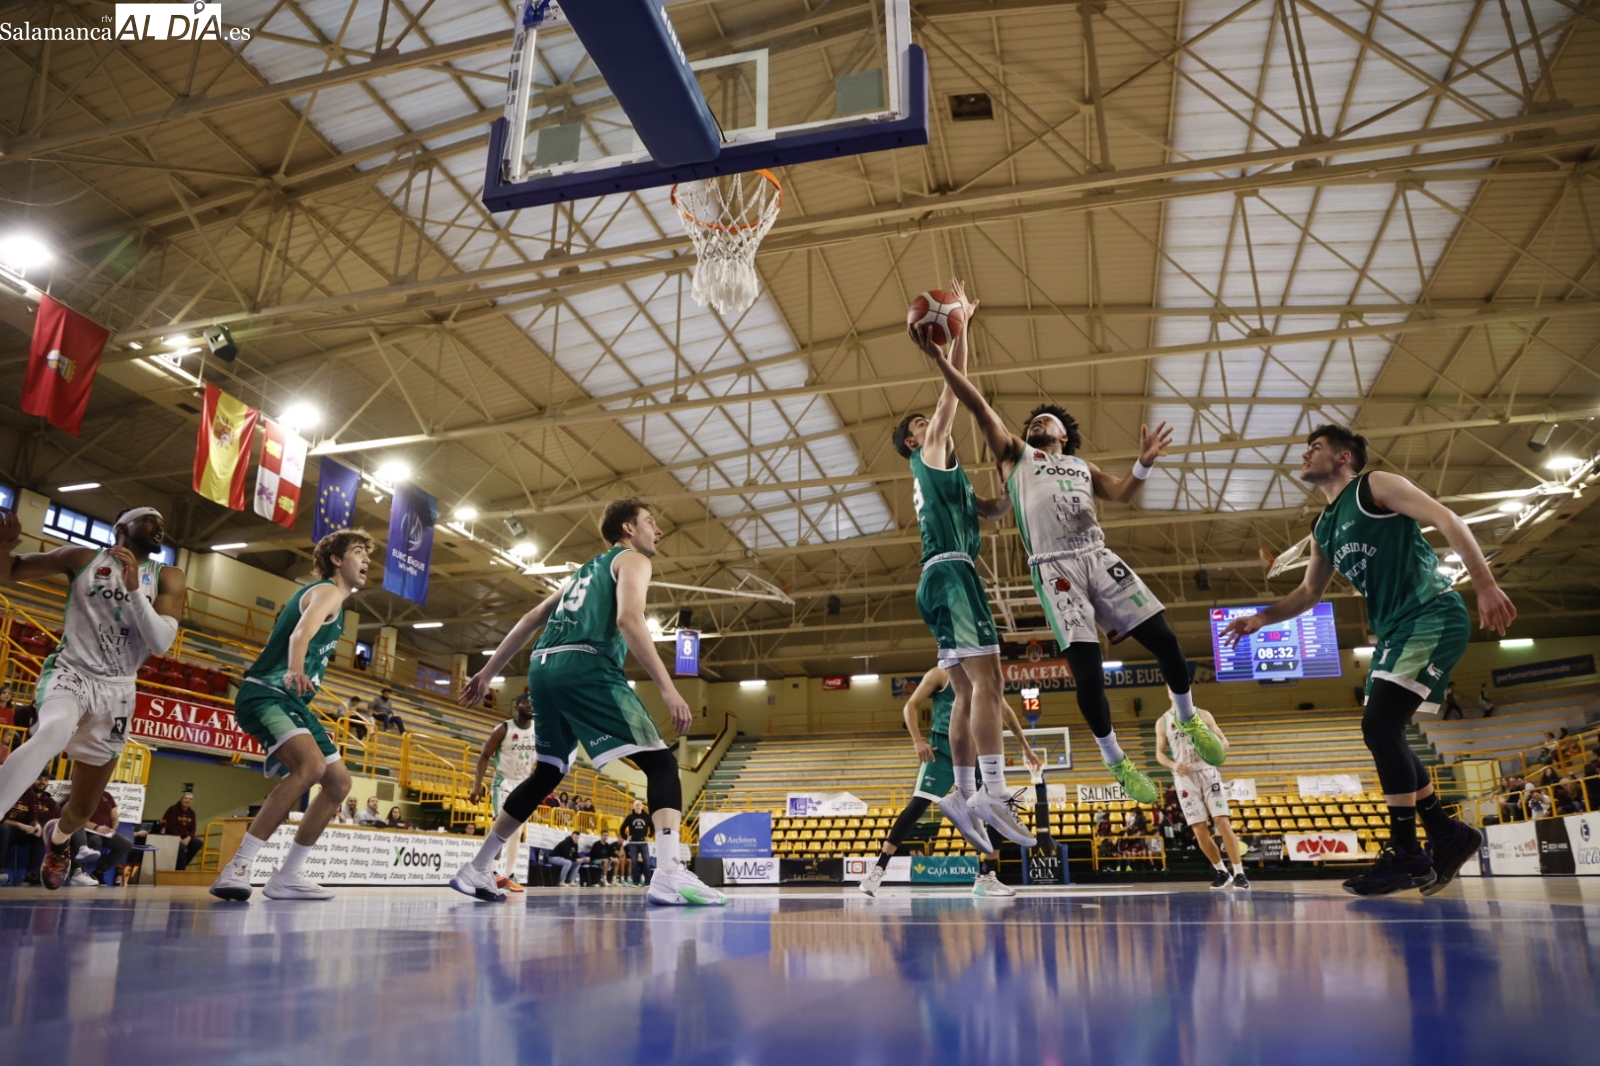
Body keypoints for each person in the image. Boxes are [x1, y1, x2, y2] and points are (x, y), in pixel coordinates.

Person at [916, 320, 1227, 807]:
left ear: (1065, 435)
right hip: (1055, 567)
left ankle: (1186, 714)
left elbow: (1123, 494)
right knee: (1088, 670)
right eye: (1034, 420)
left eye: (1047, 420)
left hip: (1097, 555)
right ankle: (1116, 759)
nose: (1038, 423)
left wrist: (1143, 463)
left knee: (1166, 639)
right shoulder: (1017, 455)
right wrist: (941, 359)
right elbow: (975, 404)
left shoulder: (1085, 467)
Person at [1222, 424, 1515, 898]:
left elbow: (1447, 520)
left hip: (1430, 612)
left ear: (1342, 458)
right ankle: (1445, 834)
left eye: (1314, 447)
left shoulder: (1374, 486)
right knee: (1385, 731)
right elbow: (1308, 593)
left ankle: (1408, 851)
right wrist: (1261, 619)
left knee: (1379, 726)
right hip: (1395, 631)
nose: (1303, 455)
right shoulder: (1323, 527)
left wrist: (1484, 583)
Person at [450, 498, 724, 905]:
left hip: (542, 668)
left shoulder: (581, 573)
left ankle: (476, 868)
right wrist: (668, 687)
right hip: (584, 664)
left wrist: (488, 672)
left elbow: (529, 620)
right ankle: (668, 871)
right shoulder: (632, 560)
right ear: (628, 530)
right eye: (652, 521)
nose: (659, 530)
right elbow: (628, 621)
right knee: (662, 761)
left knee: (546, 774)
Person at [891, 280, 1036, 848]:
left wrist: (1011, 488)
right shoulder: (928, 452)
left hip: (938, 576)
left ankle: (958, 789)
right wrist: (960, 329)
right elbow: (955, 396)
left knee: (964, 689)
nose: (931, 422)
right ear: (912, 442)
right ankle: (994, 791)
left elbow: (994, 509)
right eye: (921, 424)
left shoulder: (945, 482)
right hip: (952, 574)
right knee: (991, 682)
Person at [0, 506, 187, 889]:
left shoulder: (167, 575)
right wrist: (3, 548)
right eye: (149, 519)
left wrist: (135, 590)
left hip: (118, 689)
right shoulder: (82, 558)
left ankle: (61, 838)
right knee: (51, 733)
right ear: (122, 527)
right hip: (72, 672)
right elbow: (11, 572)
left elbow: (162, 643)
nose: (158, 526)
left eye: (162, 523)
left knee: (81, 810)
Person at [209, 529, 373, 902]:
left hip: (291, 701)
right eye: (358, 552)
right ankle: (238, 867)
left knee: (338, 784)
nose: (366, 560)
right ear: (336, 559)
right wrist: (295, 668)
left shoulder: (335, 601)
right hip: (267, 693)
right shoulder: (327, 591)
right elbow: (300, 632)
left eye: (368, 555)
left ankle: (288, 875)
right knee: (311, 768)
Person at [860, 664, 1039, 899]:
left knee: (995, 809)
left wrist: (1026, 747)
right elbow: (910, 705)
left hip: (974, 750)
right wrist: (917, 741)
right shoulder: (940, 674)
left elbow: (1004, 712)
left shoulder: (983, 677)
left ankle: (987, 877)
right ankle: (878, 870)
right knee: (917, 806)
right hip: (941, 749)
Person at [1155, 707, 1249, 890]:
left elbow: (1224, 741)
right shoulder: (1163, 721)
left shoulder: (1204, 714)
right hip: (1184, 778)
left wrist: (1214, 749)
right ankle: (1222, 871)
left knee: (1222, 821)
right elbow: (1160, 753)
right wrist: (1173, 765)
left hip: (1208, 771)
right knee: (1199, 828)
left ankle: (1239, 872)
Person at [467, 692, 537, 893]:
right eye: (526, 703)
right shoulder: (503, 729)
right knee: (501, 825)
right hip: (503, 783)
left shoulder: (538, 730)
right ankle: (493, 872)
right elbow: (484, 756)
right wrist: (477, 785)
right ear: (517, 706)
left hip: (525, 783)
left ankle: (509, 873)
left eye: (533, 704)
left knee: (517, 831)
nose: (531, 706)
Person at [71, 789, 131, 885]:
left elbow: (114, 816)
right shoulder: (79, 794)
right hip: (87, 831)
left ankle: (99, 872)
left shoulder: (107, 795)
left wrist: (113, 828)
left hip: (106, 832)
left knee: (126, 844)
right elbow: (76, 818)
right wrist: (96, 827)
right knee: (96, 840)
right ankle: (80, 873)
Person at [1, 790, 44, 885]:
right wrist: (20, 825)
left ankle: (33, 874)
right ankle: (1, 871)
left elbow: (32, 816)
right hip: (3, 827)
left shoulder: (29, 794)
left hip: (18, 830)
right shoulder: (4, 788)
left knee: (39, 833)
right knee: (4, 830)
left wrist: (36, 824)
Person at [159, 791, 204, 870]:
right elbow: (170, 826)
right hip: (171, 836)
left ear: (192, 802)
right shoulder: (172, 809)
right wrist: (179, 838)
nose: (188, 800)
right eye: (186, 798)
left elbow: (193, 828)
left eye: (190, 799)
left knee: (197, 843)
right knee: (181, 847)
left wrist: (189, 837)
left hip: (184, 837)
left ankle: (182, 864)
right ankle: (181, 869)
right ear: (181, 799)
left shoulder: (192, 813)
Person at [620, 800, 653, 887]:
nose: (638, 807)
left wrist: (649, 836)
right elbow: (622, 828)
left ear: (642, 806)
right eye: (636, 805)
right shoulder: (630, 817)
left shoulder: (647, 816)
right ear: (633, 807)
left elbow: (652, 828)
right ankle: (636, 882)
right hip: (633, 843)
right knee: (634, 863)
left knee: (646, 862)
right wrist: (626, 837)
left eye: (639, 805)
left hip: (643, 843)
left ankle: (647, 882)